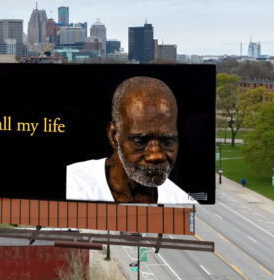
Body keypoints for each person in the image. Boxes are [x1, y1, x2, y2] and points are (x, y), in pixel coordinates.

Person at [66, 76, 195, 204]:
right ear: (114, 136)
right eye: (140, 141)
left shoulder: (181, 201)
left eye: (168, 141)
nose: (156, 156)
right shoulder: (71, 184)